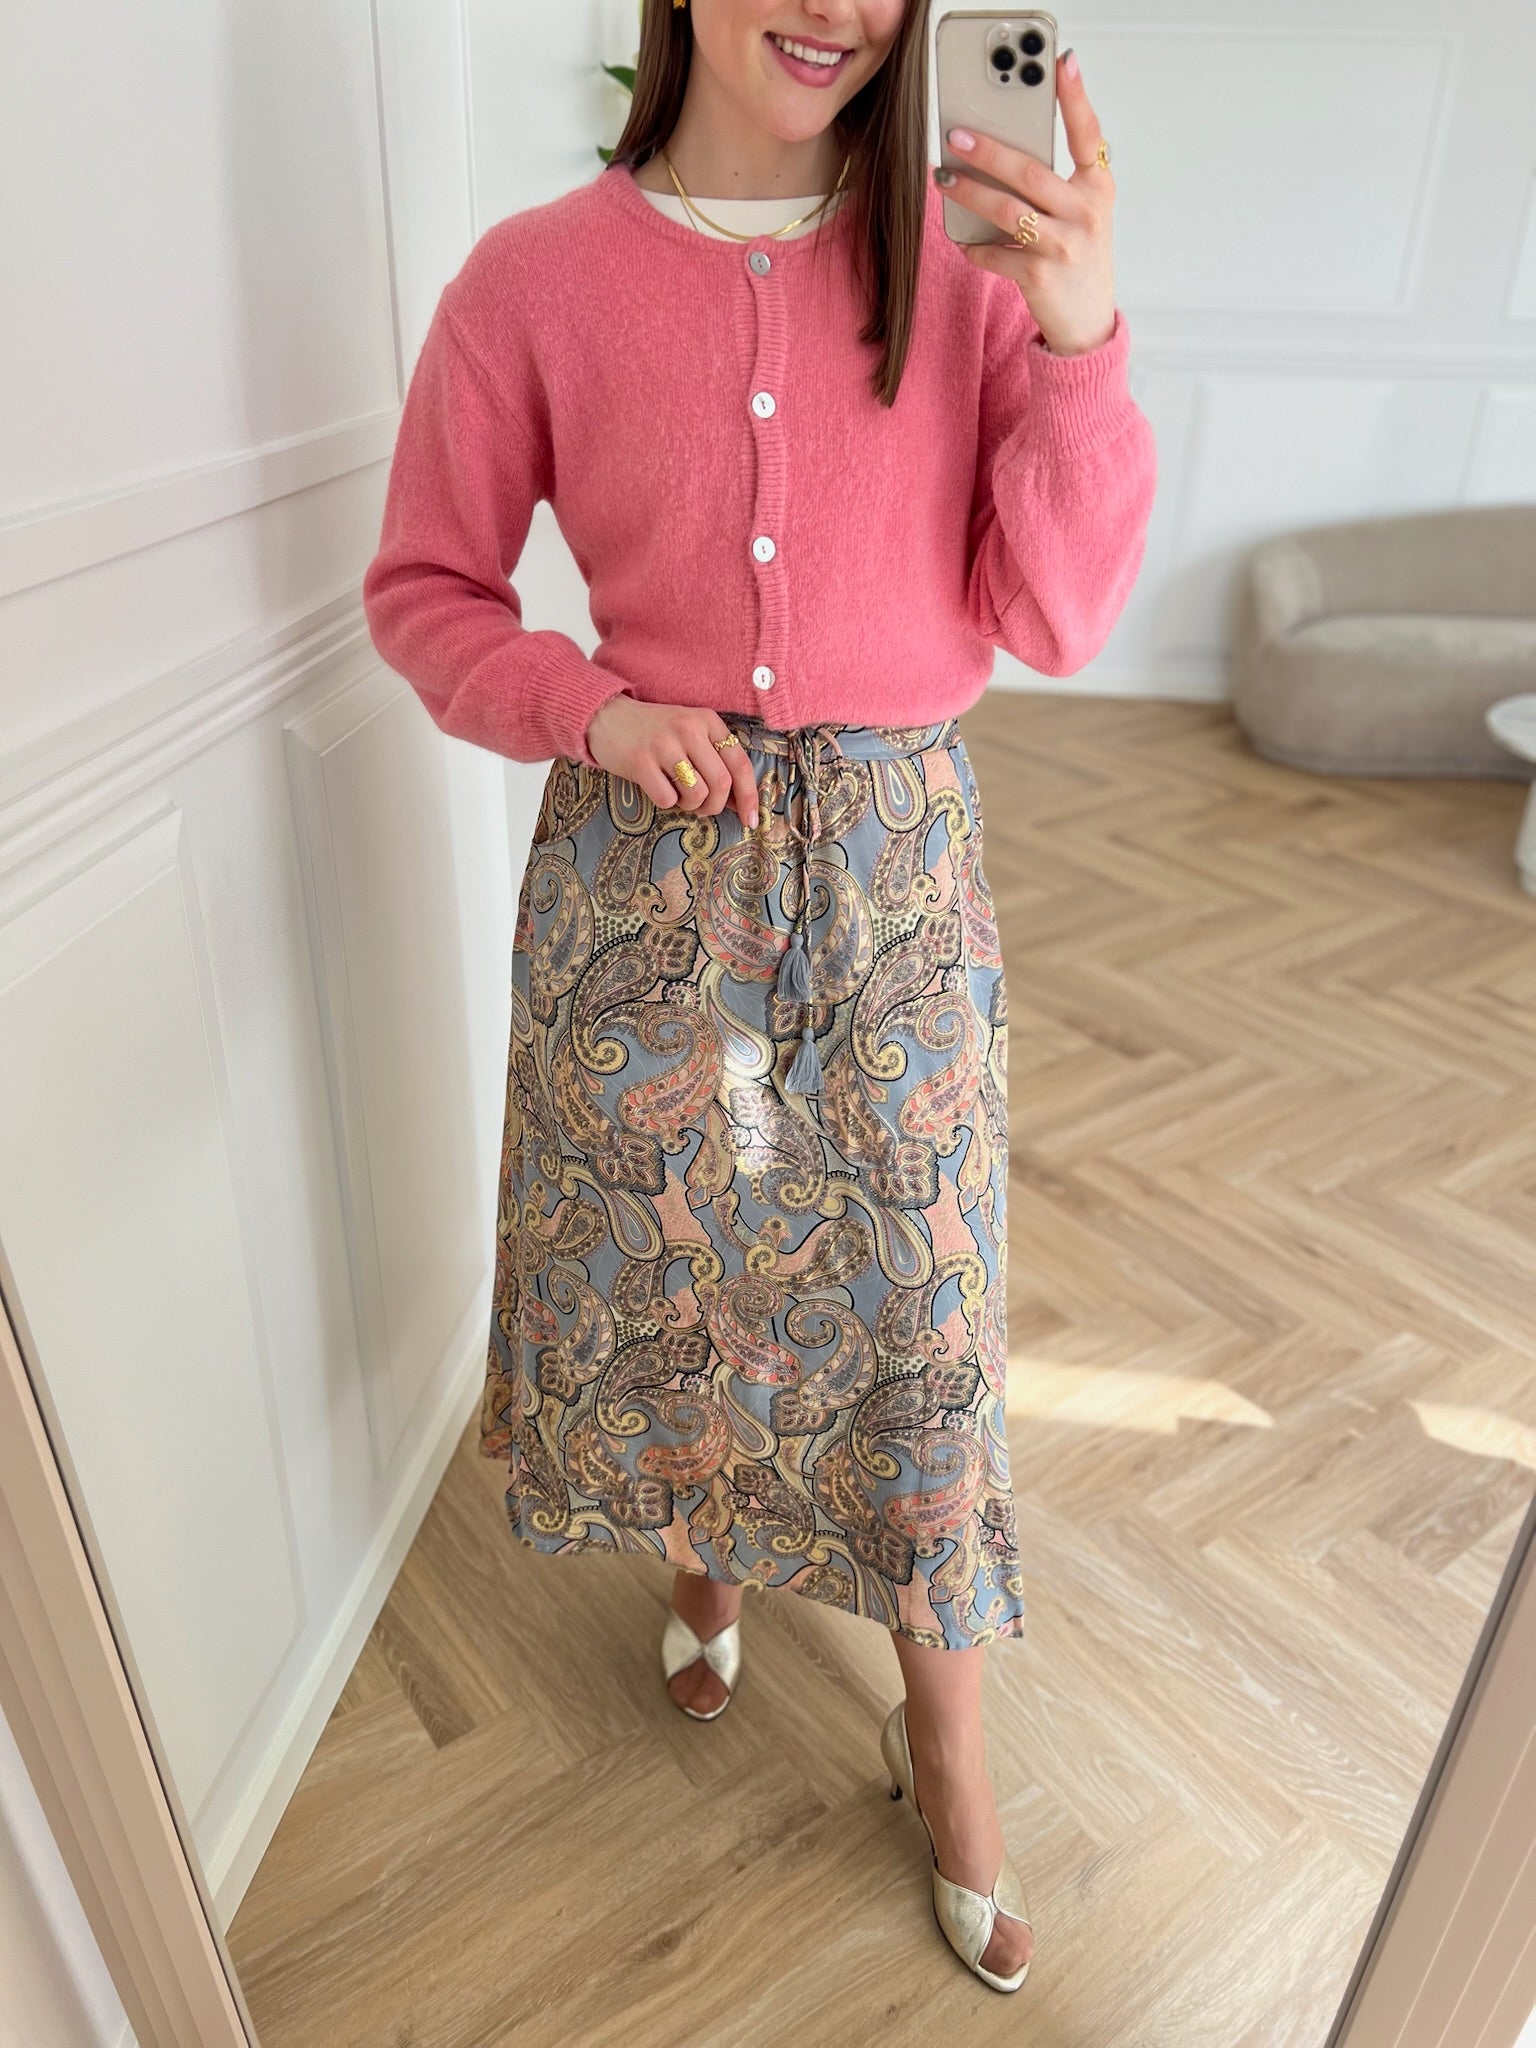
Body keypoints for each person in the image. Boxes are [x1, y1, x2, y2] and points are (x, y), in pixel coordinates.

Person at [362, 0, 1156, 1998]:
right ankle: (706, 1558)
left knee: (916, 1318)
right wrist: (593, 709)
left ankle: (947, 1741)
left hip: (891, 880)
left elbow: (1062, 614)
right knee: (689, 1255)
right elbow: (425, 592)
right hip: (654, 864)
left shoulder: (972, 272)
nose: (835, 10)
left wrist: (1077, 336)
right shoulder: (532, 284)